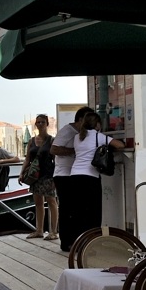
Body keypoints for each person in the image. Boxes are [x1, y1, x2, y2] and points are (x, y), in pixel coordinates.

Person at [67, 111, 126, 241]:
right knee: (93, 212)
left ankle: (78, 241)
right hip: (90, 178)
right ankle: (91, 241)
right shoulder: (98, 136)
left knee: (78, 212)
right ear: (97, 124)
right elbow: (120, 145)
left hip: (74, 176)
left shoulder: (78, 137)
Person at [51, 106, 95, 253]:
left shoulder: (81, 134)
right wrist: (76, 151)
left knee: (75, 210)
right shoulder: (67, 131)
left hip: (73, 175)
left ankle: (74, 240)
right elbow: (54, 149)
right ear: (81, 119)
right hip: (63, 175)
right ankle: (66, 242)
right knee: (66, 209)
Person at [21, 115, 59, 241]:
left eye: (42, 122)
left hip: (48, 174)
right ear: (35, 124)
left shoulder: (51, 140)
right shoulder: (32, 141)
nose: (40, 124)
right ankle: (39, 230)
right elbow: (27, 159)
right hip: (35, 175)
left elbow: (55, 159)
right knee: (38, 202)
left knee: (51, 201)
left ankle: (53, 231)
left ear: (47, 123)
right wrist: (22, 173)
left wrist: (56, 175)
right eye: (38, 122)